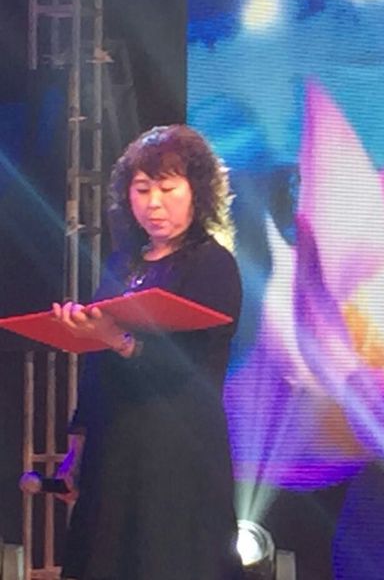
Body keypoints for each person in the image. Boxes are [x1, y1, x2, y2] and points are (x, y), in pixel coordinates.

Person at [53, 125, 243, 580]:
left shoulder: (212, 264)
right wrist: (78, 439)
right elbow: (98, 361)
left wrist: (119, 339)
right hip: (116, 444)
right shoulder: (123, 263)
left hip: (177, 449)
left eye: (167, 188)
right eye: (142, 190)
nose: (153, 203)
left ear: (197, 191)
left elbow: (191, 366)